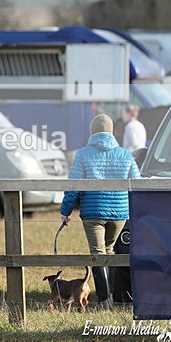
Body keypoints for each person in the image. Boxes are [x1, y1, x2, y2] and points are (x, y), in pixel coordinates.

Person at [59, 113, 140, 309]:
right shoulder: (125, 154)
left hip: (93, 212)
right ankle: (112, 296)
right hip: (119, 213)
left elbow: (74, 186)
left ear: (92, 131)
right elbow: (137, 183)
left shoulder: (83, 154)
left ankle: (105, 300)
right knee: (110, 252)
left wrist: (65, 210)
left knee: (97, 253)